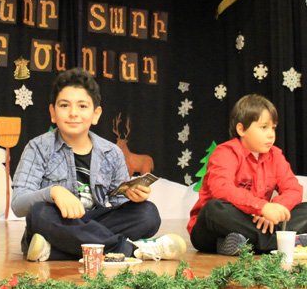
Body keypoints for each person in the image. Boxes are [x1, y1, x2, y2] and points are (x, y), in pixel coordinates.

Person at [10, 67, 185, 262]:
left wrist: (133, 197)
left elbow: (118, 204)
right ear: (53, 112)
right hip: (58, 222)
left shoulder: (112, 152)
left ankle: (54, 251)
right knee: (40, 213)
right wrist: (53, 192)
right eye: (64, 105)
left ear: (96, 114)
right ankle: (131, 250)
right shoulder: (38, 147)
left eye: (82, 106)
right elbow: (18, 204)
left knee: (148, 213)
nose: (73, 113)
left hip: (88, 224)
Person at [188, 94, 307, 255]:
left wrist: (276, 208)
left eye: (273, 128)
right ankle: (283, 243)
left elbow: (293, 189)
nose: (271, 134)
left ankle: (242, 244)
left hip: (255, 225)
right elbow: (221, 189)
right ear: (241, 129)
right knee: (214, 209)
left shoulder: (275, 155)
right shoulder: (225, 152)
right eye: (264, 127)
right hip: (214, 230)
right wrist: (262, 207)